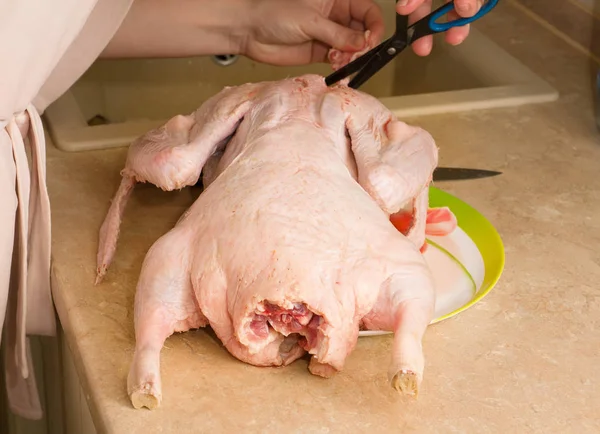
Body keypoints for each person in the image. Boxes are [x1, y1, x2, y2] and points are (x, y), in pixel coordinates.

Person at [0, 0, 482, 420]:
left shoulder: (252, 105)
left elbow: (43, 22)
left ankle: (148, 356)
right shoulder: (345, 120)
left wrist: (246, 22)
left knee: (178, 181)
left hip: (239, 209)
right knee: (392, 213)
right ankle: (407, 352)